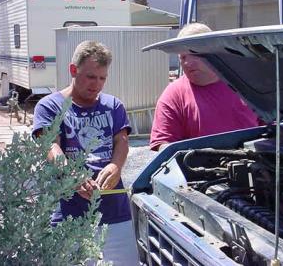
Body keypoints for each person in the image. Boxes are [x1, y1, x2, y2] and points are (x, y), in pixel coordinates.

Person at [32, 40, 139, 265]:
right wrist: (73, 175)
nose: (97, 85)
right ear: (73, 70)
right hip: (69, 217)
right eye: (91, 77)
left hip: (115, 215)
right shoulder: (49, 106)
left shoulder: (113, 105)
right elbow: (50, 146)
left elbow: (122, 141)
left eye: (102, 78)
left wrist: (115, 166)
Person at [150, 23, 263, 151]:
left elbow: (272, 130)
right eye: (183, 57)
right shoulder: (173, 95)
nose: (187, 62)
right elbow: (163, 145)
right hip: (199, 169)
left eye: (194, 53)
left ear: (212, 51)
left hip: (253, 165)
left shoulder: (246, 85)